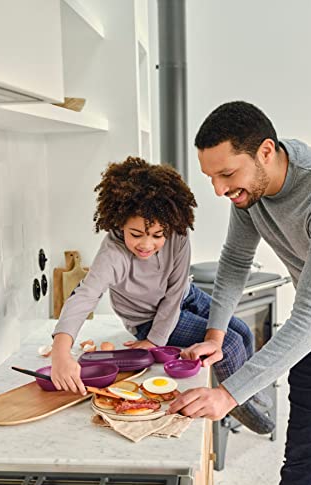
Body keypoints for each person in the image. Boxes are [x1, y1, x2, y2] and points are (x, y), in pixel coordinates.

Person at [168, 101, 311, 485]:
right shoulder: (250, 193)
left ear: (266, 151)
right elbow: (234, 261)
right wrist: (215, 336)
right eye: (211, 177)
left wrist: (228, 395)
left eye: (226, 173)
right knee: (300, 471)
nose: (218, 189)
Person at [50, 156, 274, 434]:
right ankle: (238, 404)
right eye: (136, 234)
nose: (147, 245)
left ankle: (250, 393)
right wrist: (61, 351)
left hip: (184, 295)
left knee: (243, 331)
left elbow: (177, 289)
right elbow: (85, 295)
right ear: (119, 223)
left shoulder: (177, 234)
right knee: (228, 346)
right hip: (150, 319)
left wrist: (158, 338)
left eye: (158, 235)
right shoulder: (113, 255)